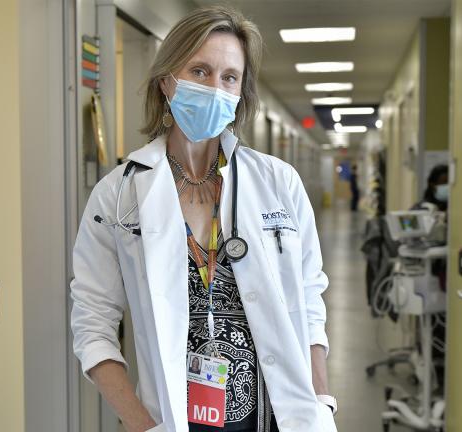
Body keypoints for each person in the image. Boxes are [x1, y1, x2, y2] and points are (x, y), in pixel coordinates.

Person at [70, 6, 337, 432]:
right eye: (200, 71)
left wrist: (321, 402)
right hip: (172, 419)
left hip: (279, 418)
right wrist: (143, 426)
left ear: (240, 92)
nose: (215, 88)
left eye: (229, 77)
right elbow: (92, 325)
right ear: (166, 81)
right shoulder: (118, 194)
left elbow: (309, 300)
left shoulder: (278, 182)